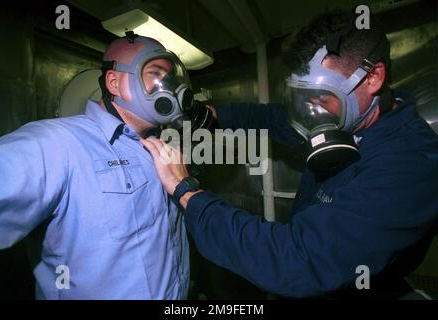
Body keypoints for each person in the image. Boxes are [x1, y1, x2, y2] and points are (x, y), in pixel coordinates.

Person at [141, 11, 438, 299]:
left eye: (321, 96)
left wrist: (188, 194)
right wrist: (215, 114)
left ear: (372, 78)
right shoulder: (344, 116)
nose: (313, 111)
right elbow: (271, 119)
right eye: (304, 98)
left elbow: (297, 261)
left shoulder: (412, 166)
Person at [0, 34, 191, 299]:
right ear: (114, 83)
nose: (165, 86)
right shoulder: (57, 144)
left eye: (168, 78)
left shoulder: (163, 151)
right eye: (154, 74)